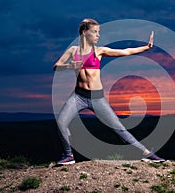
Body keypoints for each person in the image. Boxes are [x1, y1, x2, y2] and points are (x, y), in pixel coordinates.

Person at [53, 18, 165, 165]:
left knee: (118, 128)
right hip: (78, 96)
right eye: (94, 32)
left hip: (97, 98)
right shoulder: (73, 51)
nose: (98, 35)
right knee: (61, 122)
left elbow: (125, 51)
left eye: (99, 32)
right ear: (84, 32)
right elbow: (56, 66)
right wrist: (69, 66)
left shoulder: (99, 51)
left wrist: (146, 47)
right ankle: (69, 155)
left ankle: (147, 154)